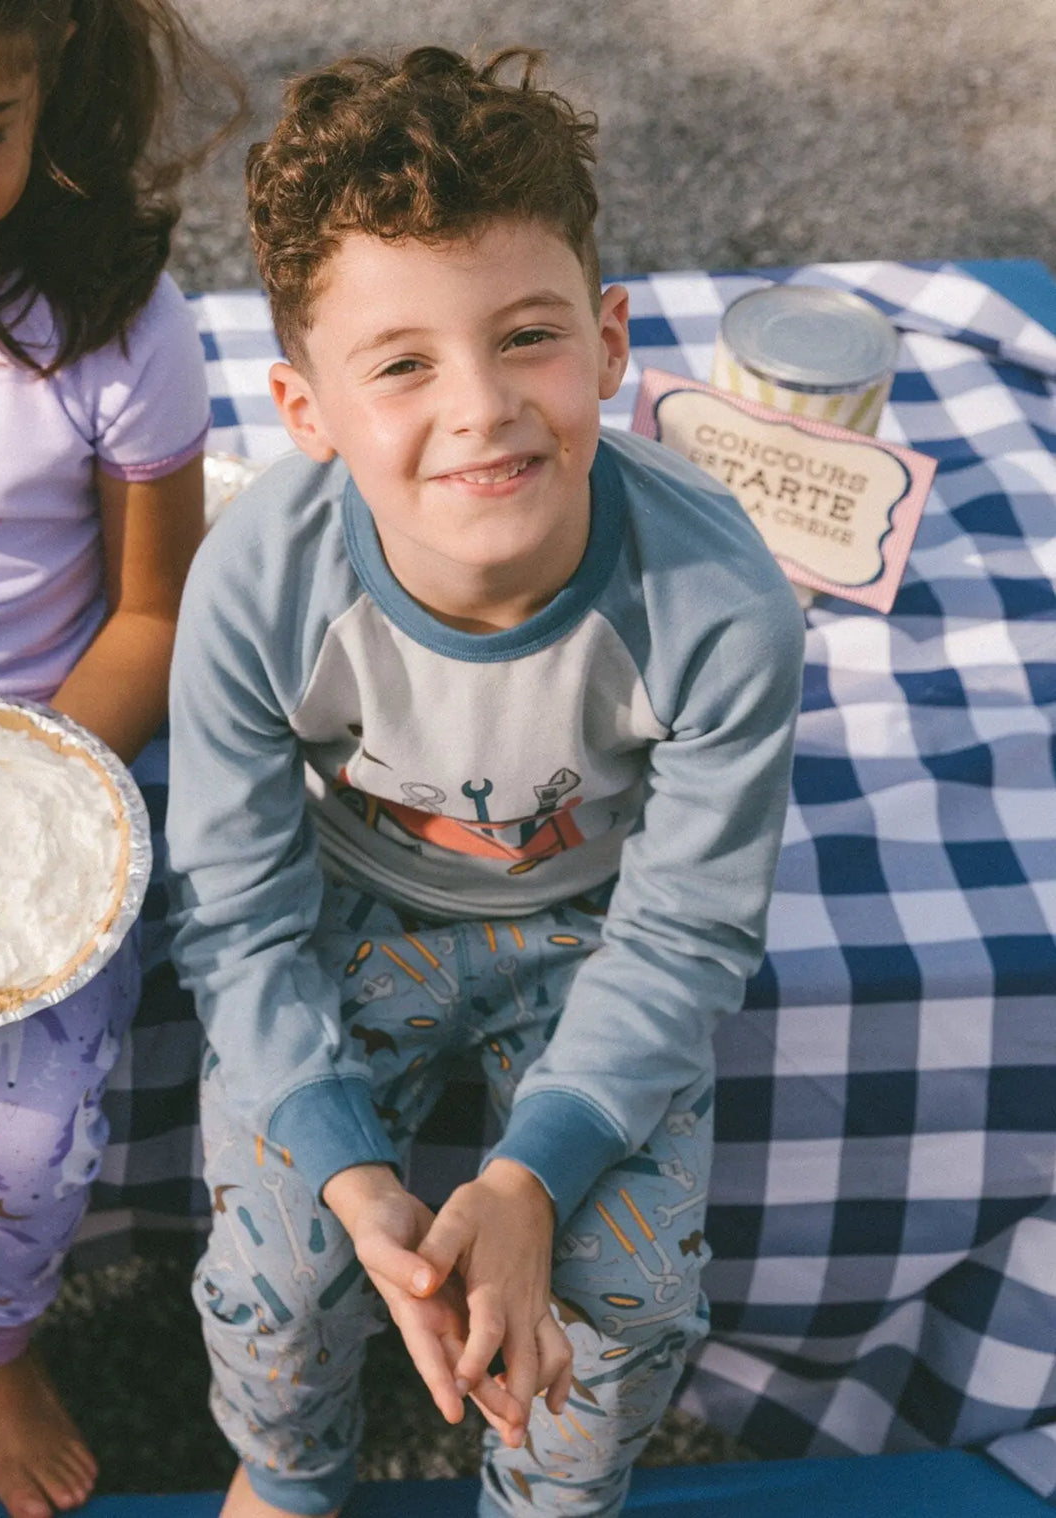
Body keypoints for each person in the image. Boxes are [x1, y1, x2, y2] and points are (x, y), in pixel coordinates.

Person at [167, 45, 805, 1518]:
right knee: (277, 1266)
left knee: (622, 1305)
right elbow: (236, 913)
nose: (482, 407)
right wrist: (344, 1172)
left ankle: (551, 1499)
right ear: (303, 408)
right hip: (351, 903)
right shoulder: (256, 584)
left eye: (526, 338)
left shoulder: (718, 600)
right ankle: (284, 1474)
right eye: (400, 363)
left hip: (601, 929)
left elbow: (689, 928)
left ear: (609, 339)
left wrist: (526, 1179)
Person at [0, 0, 242, 1512]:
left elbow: (151, 607)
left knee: (25, 1129)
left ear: (49, 90)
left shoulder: (116, 327)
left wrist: (8, 802)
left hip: (45, 786)